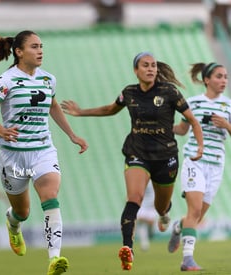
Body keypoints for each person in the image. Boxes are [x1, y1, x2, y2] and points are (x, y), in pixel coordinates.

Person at [60, 52, 204, 271]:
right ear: (136, 70)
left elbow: (193, 121)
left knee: (161, 206)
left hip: (165, 157)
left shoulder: (169, 92)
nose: (151, 69)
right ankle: (128, 249)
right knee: (134, 198)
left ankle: (165, 214)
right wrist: (80, 112)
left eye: (154, 65)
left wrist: (200, 146)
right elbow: (110, 109)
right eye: (146, 65)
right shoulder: (129, 92)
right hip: (137, 153)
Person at [0, 30, 88, 275]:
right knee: (23, 212)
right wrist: (3, 131)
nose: (40, 51)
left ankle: (54, 259)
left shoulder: (48, 79)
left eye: (41, 46)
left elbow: (53, 107)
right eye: (34, 47)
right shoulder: (6, 80)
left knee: (50, 197)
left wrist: (72, 135)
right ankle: (13, 224)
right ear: (19, 52)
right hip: (13, 155)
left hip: (43, 150)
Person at [168, 62, 231, 271]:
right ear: (207, 79)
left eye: (225, 77)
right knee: (194, 210)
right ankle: (187, 260)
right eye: (219, 76)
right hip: (194, 160)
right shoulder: (193, 103)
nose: (223, 81)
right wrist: (162, 125)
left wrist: (227, 125)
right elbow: (183, 130)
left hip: (216, 164)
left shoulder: (229, 106)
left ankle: (178, 226)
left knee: (197, 217)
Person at [136, 182, 157, 251]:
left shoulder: (154, 180)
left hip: (152, 206)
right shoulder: (140, 180)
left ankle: (150, 234)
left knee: (151, 224)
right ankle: (144, 244)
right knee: (141, 222)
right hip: (142, 205)